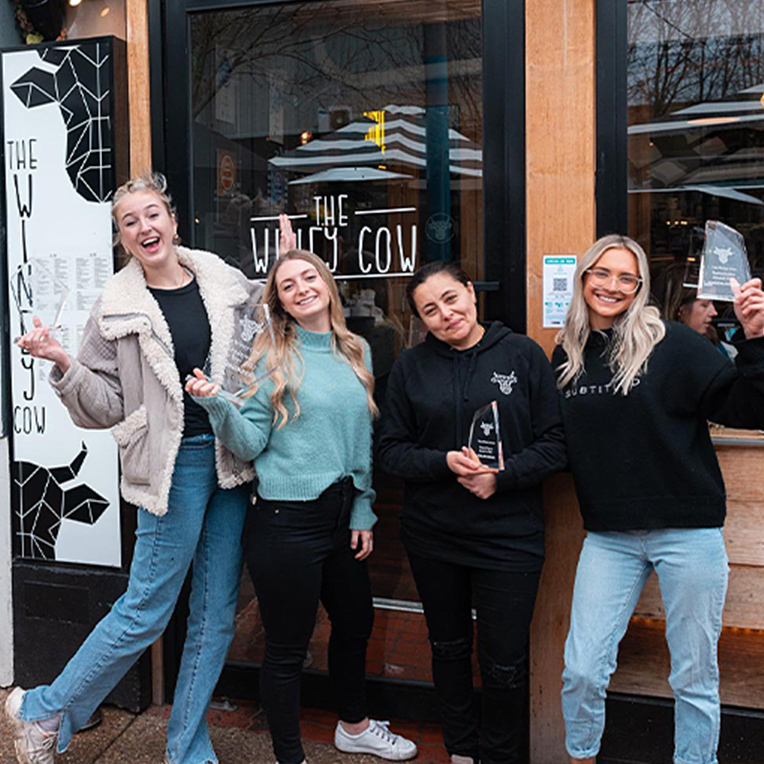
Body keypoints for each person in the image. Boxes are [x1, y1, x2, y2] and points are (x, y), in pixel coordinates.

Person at [6, 172, 259, 764]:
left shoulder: (226, 284)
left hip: (231, 460)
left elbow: (265, 336)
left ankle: (187, 749)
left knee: (216, 614)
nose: (144, 227)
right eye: (130, 221)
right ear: (123, 238)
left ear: (172, 220)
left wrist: (292, 258)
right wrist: (63, 360)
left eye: (152, 214)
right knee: (146, 607)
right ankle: (46, 706)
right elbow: (108, 405)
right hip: (171, 469)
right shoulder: (116, 308)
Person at [185, 227, 417, 764]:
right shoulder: (272, 358)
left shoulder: (355, 348)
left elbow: (361, 439)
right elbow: (248, 443)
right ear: (281, 301)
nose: (301, 287)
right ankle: (292, 757)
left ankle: (354, 726)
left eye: (309, 276)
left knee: (356, 622)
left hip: (341, 516)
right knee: (287, 650)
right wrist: (219, 405)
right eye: (288, 285)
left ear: (328, 285)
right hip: (286, 524)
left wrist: (362, 507)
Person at [554, 234, 764, 764]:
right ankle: (581, 755)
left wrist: (758, 338)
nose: (612, 286)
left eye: (627, 277)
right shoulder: (568, 352)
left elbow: (748, 407)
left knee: (693, 672)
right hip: (609, 536)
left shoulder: (670, 341)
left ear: (641, 286)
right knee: (581, 668)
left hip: (687, 530)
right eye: (601, 273)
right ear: (583, 279)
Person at [376, 260, 567, 764]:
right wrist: (442, 461)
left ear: (470, 292)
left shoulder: (523, 355)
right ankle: (462, 750)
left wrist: (499, 478)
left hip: (510, 536)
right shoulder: (410, 368)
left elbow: (556, 444)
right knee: (448, 648)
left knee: (504, 662)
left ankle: (502, 756)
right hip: (433, 535)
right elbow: (389, 450)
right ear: (421, 320)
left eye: (451, 299)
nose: (445, 315)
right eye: (430, 311)